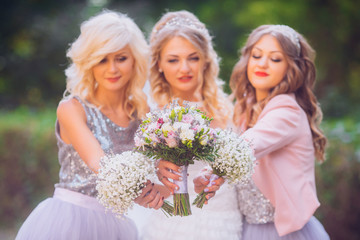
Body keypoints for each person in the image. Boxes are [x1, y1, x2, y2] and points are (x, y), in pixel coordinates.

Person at [16, 10, 164, 240]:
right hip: (68, 222)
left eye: (121, 58)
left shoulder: (142, 115)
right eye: (102, 59)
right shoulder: (72, 109)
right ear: (89, 62)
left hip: (116, 225)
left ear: (135, 59)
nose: (112, 69)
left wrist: (159, 188)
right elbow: (101, 164)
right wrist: (139, 191)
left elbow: (158, 169)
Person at [202, 24, 329, 239]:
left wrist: (213, 170)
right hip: (245, 228)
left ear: (292, 68)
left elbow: (252, 142)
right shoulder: (245, 107)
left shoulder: (287, 110)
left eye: (275, 59)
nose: (262, 64)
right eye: (257, 55)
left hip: (281, 232)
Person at [133, 10, 243, 240]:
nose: (185, 68)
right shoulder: (149, 112)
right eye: (173, 60)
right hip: (171, 222)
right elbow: (139, 175)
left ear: (205, 61)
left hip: (223, 221)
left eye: (193, 58)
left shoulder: (228, 107)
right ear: (159, 64)